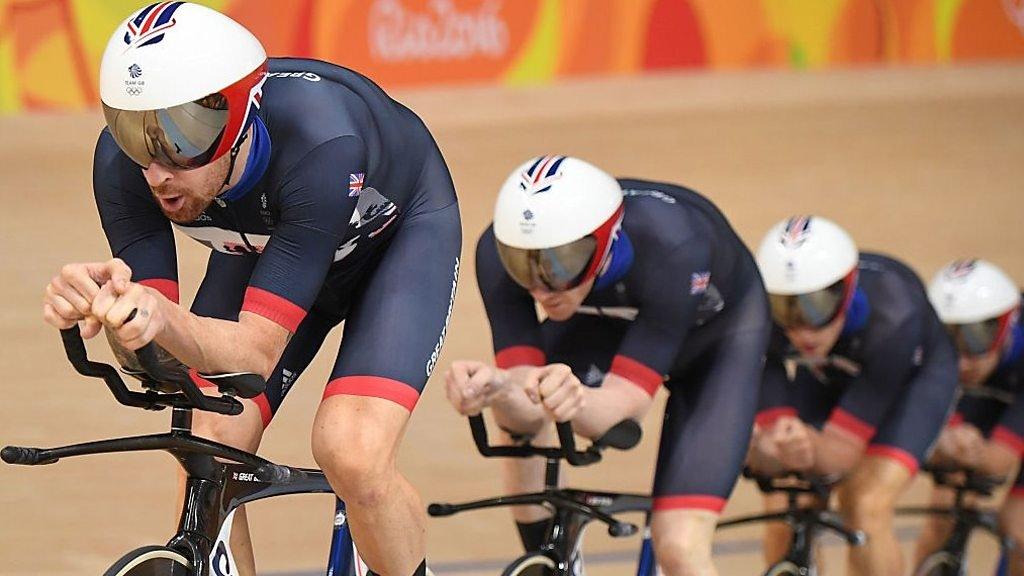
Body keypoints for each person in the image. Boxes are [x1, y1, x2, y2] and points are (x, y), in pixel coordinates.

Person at [40, 3, 460, 575]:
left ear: (238, 116)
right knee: (208, 441)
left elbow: (255, 355)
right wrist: (115, 315)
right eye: (135, 131)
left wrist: (163, 316)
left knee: (353, 453)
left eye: (183, 136)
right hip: (271, 244)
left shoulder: (320, 140)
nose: (157, 170)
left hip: (397, 242)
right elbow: (157, 359)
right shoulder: (122, 167)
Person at [444, 155, 771, 575]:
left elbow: (622, 416)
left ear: (608, 240)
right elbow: (526, 404)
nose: (542, 287)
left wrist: (572, 402)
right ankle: (547, 560)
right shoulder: (495, 254)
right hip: (606, 320)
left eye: (563, 262)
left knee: (679, 544)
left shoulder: (674, 245)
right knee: (519, 424)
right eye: (523, 265)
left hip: (717, 340)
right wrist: (499, 388)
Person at [746, 216, 959, 576]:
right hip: (830, 373)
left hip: (911, 383)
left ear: (846, 291)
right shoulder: (765, 318)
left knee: (865, 505)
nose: (802, 330)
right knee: (784, 503)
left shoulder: (895, 315)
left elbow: (837, 458)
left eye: (817, 307)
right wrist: (777, 439)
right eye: (786, 309)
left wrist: (802, 445)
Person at [913, 258, 1023, 573]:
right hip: (989, 397)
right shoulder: (941, 358)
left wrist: (952, 446)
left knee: (1017, 529)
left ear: (1006, 327)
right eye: (950, 341)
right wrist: (951, 444)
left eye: (976, 340)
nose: (961, 363)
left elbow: (996, 462)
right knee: (942, 513)